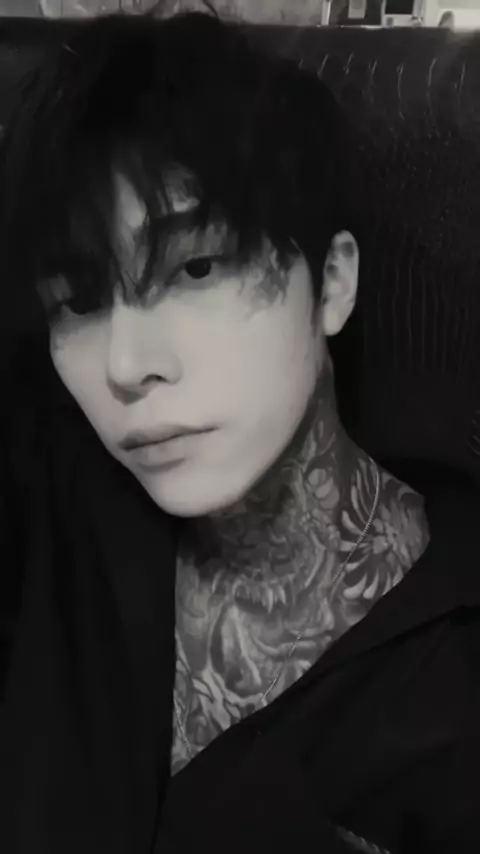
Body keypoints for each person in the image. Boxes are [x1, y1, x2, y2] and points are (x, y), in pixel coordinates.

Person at [0, 8, 479, 854]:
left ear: (332, 283)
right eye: (77, 300)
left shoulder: (454, 667)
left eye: (196, 265)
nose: (126, 365)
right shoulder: (57, 501)